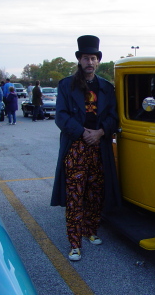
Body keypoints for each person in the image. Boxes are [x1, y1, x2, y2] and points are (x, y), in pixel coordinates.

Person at [50, 35, 120, 261]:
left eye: (93, 58)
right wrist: (83, 133)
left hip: (99, 146)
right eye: (85, 58)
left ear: (98, 61)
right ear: (79, 61)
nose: (89, 62)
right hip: (76, 147)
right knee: (75, 195)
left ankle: (90, 230)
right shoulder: (66, 86)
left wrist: (100, 132)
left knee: (95, 193)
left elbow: (113, 117)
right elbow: (61, 117)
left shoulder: (106, 88)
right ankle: (74, 242)